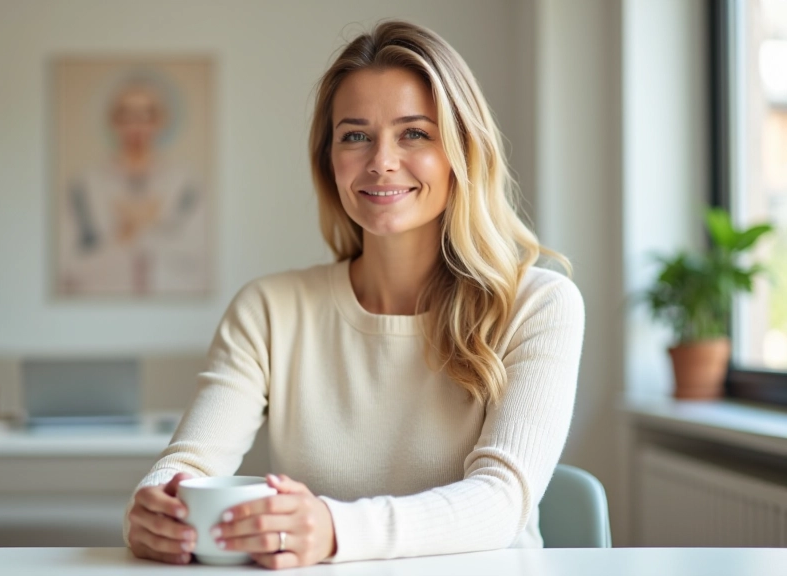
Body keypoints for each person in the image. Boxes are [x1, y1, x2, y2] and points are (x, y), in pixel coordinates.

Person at [124, 20, 585, 569]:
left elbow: (500, 503)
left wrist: (334, 529)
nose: (381, 161)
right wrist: (154, 507)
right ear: (330, 161)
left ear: (463, 151)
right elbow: (192, 463)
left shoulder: (539, 305)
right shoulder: (269, 310)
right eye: (356, 136)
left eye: (414, 133)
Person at [58, 73, 207, 296]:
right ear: (113, 120)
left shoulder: (187, 185)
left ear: (161, 121)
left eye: (147, 115)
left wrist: (149, 229)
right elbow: (68, 267)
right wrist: (123, 236)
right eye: (126, 116)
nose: (136, 126)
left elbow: (200, 259)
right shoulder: (83, 186)